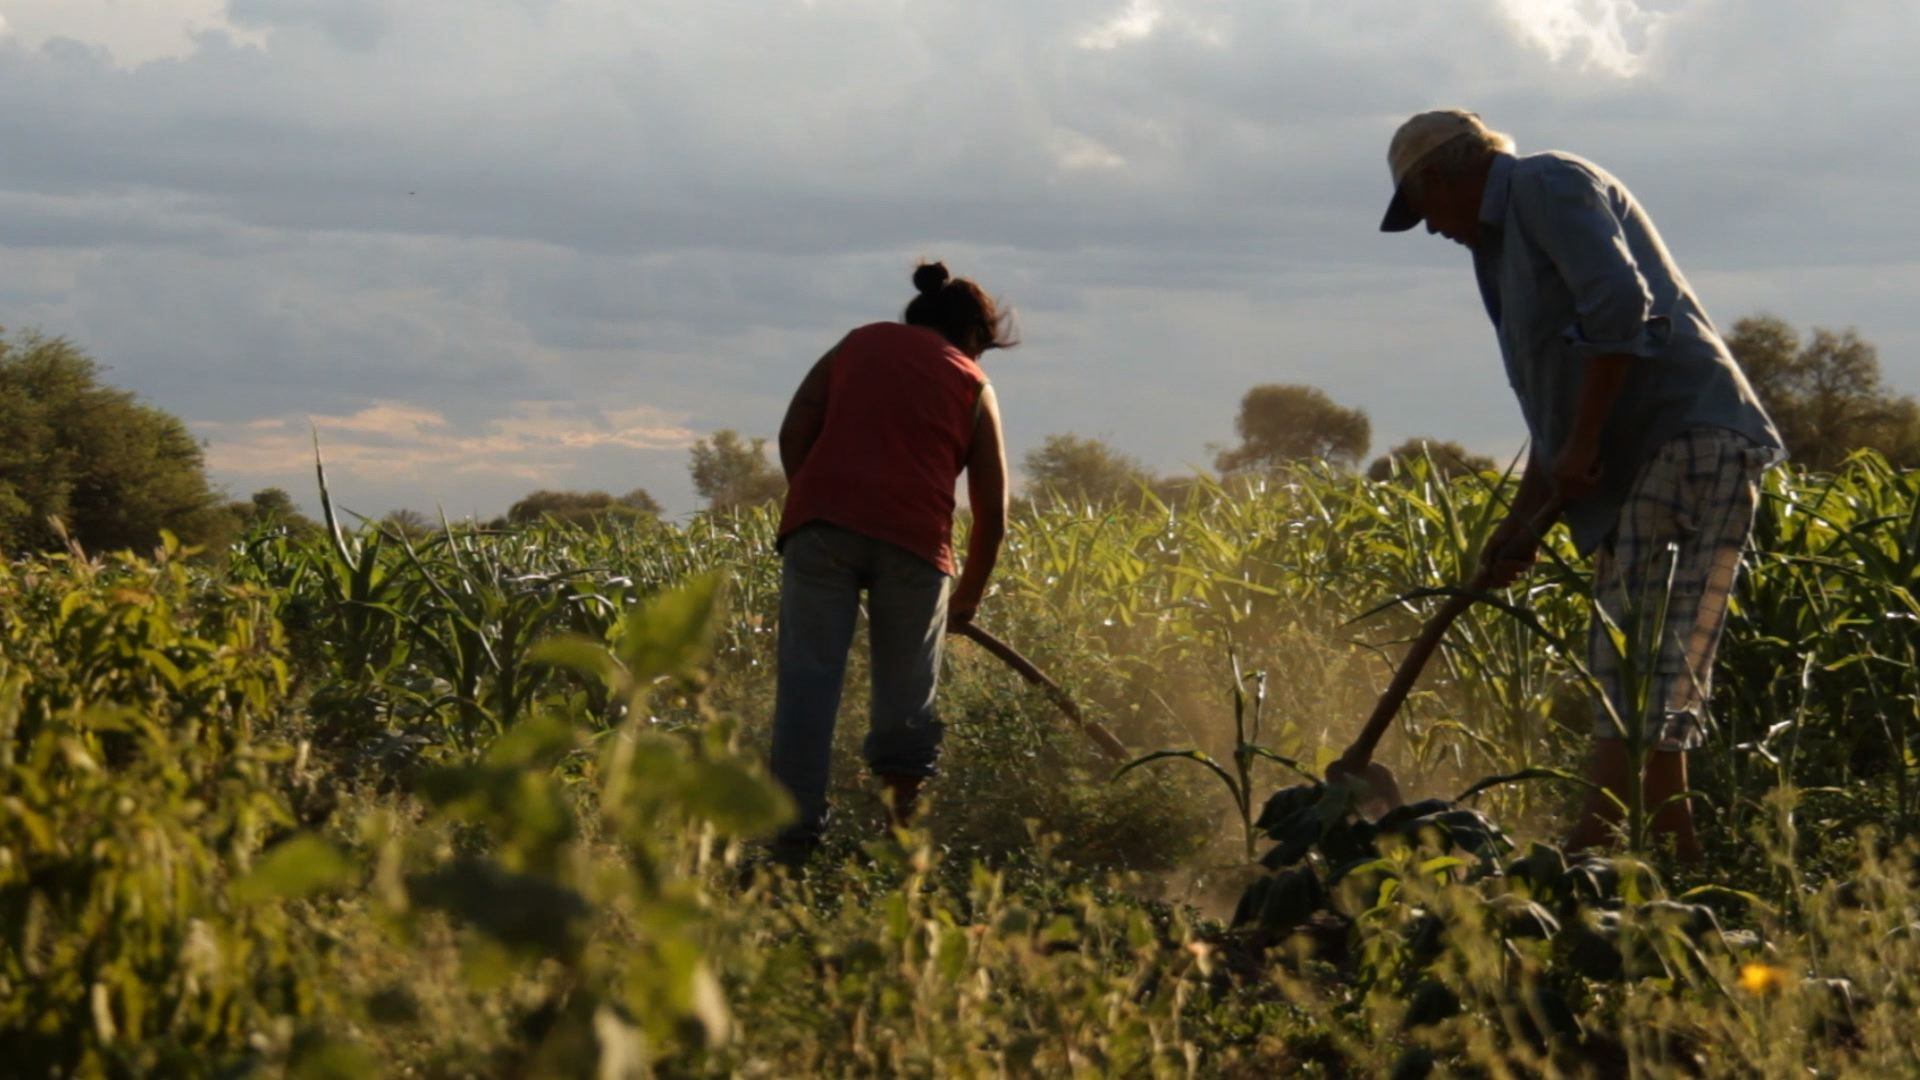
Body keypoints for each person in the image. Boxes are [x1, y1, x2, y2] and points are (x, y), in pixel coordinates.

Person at [1379, 109, 1783, 861]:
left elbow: (1620, 304)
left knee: (1637, 661)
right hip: (1646, 453)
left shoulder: (1547, 183)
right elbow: (1558, 414)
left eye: (1423, 206)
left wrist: (1587, 440)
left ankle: (1588, 852)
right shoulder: (1499, 249)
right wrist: (1520, 523)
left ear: (1444, 175)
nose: (1430, 228)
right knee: (1649, 663)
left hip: (1682, 436)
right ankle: (1676, 859)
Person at [766, 261, 1013, 865]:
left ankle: (792, 845)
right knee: (906, 702)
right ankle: (899, 844)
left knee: (807, 688)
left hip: (820, 531)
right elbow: (992, 512)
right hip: (914, 546)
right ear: (973, 336)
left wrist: (820, 503)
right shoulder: (972, 382)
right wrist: (967, 598)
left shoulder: (856, 345)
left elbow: (794, 432)